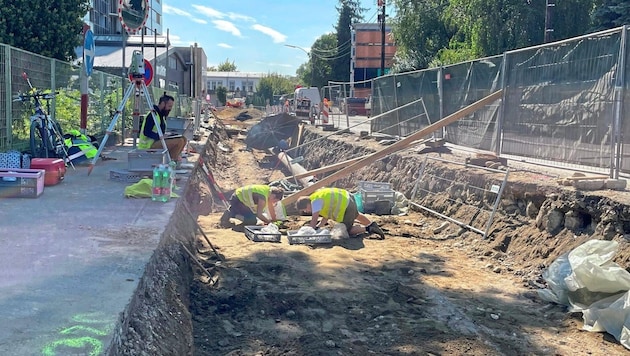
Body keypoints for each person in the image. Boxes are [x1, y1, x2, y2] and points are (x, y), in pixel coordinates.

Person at [295, 187, 385, 239]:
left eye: (305, 209)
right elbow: (326, 217)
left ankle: (369, 228)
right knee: (356, 215)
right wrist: (318, 227)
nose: (306, 211)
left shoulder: (315, 202)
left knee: (346, 231)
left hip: (346, 206)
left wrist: (308, 232)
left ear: (307, 203)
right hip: (348, 198)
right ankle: (372, 224)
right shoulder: (316, 196)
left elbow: (313, 221)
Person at [138, 93, 188, 162]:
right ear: (162, 104)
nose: (170, 109)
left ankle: (173, 158)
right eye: (169, 106)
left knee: (183, 139)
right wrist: (160, 136)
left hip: (157, 141)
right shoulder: (152, 115)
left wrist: (169, 135)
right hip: (148, 146)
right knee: (179, 141)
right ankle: (172, 160)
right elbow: (146, 132)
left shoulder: (161, 116)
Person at [220, 184, 285, 228]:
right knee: (252, 221)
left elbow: (271, 208)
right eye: (275, 201)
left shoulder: (267, 190)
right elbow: (259, 215)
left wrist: (274, 220)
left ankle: (233, 210)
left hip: (239, 197)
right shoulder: (263, 198)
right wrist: (270, 223)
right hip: (237, 200)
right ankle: (232, 213)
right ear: (273, 196)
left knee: (254, 217)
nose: (274, 203)